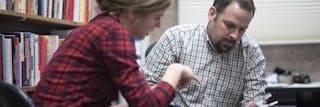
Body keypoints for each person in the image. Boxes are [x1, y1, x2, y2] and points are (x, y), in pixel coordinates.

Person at [31, 0, 200, 107]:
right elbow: (147, 104)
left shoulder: (99, 25)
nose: (158, 24)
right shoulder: (114, 34)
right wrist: (175, 71)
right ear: (134, 13)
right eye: (157, 17)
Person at [142, 0, 271, 106]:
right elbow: (146, 90)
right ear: (212, 13)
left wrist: (253, 104)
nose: (235, 36)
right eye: (229, 25)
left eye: (242, 29)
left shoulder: (252, 53)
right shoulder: (176, 38)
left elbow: (255, 99)